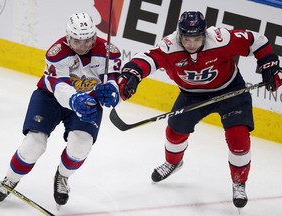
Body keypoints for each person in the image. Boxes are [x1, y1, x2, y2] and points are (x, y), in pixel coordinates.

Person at [117, 11, 282, 209]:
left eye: (196, 39)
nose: (191, 44)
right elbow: (147, 59)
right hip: (191, 95)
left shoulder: (221, 39)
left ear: (204, 35)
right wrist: (132, 75)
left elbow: (257, 40)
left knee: (238, 138)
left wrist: (269, 64)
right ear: (179, 35)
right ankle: (173, 163)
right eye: (186, 38)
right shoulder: (170, 46)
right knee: (174, 132)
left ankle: (239, 182)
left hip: (231, 91)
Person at [0, 12, 122, 207]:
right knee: (33, 144)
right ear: (68, 37)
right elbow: (60, 88)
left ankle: (62, 176)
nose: (82, 46)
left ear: (94, 36)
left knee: (81, 145)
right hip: (50, 98)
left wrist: (113, 93)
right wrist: (75, 99)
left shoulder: (109, 52)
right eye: (77, 41)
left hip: (87, 102)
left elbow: (115, 83)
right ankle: (10, 179)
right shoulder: (57, 52)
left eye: (87, 40)